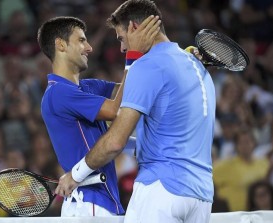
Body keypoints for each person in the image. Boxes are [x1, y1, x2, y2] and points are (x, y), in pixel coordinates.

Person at [55, 1, 216, 222]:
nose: (122, 48)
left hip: (162, 189)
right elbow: (160, 130)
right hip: (202, 197)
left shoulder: (146, 65)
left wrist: (75, 175)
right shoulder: (196, 64)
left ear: (135, 28)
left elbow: (115, 142)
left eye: (122, 38)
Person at [37, 15, 160, 216]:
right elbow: (115, 110)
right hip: (88, 203)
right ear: (60, 45)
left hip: (99, 203)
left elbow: (137, 90)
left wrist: (178, 61)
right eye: (81, 40)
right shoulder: (58, 93)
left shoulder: (87, 87)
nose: (90, 48)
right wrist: (133, 56)